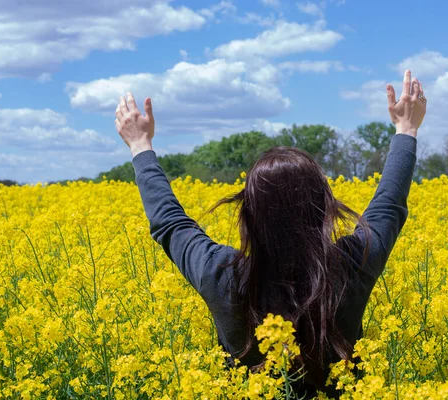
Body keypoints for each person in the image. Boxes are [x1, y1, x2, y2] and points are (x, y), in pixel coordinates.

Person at [114, 69, 426, 398]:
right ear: (325, 208)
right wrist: (406, 129)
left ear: (248, 213)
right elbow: (388, 206)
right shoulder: (351, 265)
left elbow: (169, 222)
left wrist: (140, 145)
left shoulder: (221, 274)